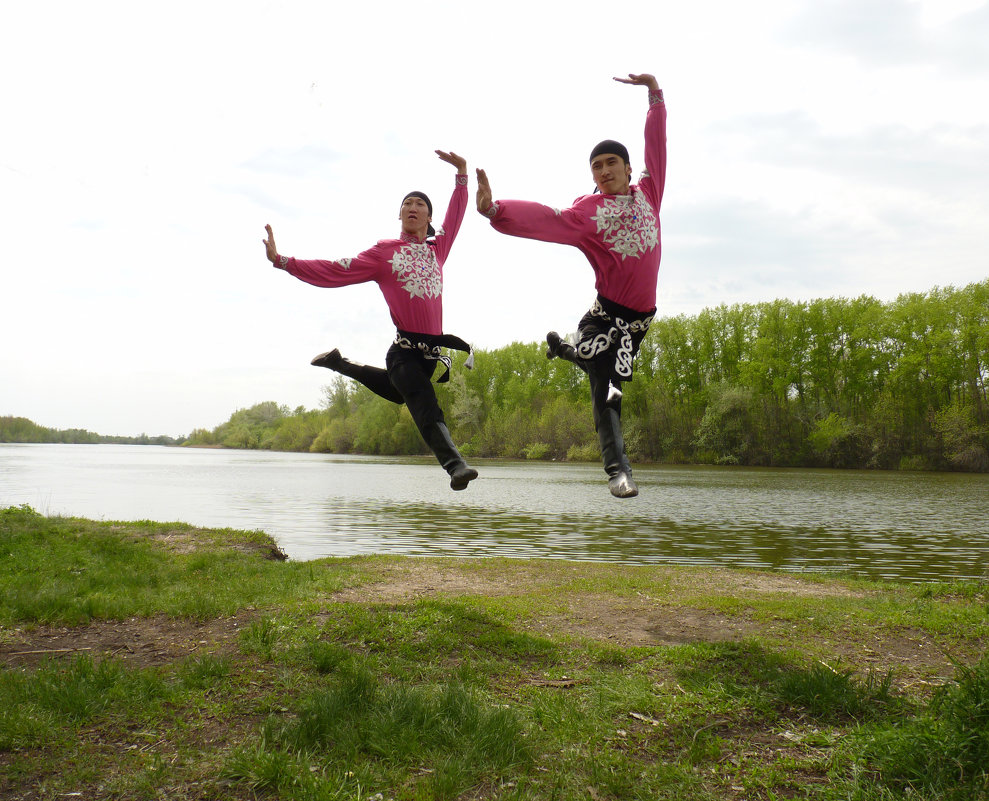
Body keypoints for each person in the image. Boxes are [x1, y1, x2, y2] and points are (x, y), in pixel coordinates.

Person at [475, 73, 666, 498]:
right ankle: (618, 471)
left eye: (611, 163)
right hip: (604, 317)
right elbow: (548, 218)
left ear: (629, 168)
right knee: (609, 389)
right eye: (596, 167)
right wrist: (496, 210)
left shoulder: (649, 194)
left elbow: (658, 148)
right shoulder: (587, 213)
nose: (603, 171)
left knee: (601, 370)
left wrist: (655, 97)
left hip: (639, 325)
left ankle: (566, 350)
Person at [263, 150, 478, 491]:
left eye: (420, 204)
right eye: (407, 203)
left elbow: (458, 214)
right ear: (400, 215)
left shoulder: (438, 249)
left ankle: (340, 364)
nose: (412, 206)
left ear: (428, 218)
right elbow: (336, 269)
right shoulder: (384, 254)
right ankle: (455, 466)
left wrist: (462, 174)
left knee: (399, 394)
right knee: (422, 401)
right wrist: (284, 261)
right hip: (403, 353)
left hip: (429, 358)